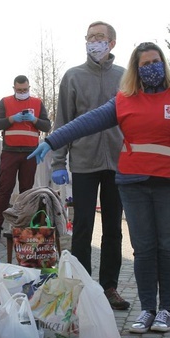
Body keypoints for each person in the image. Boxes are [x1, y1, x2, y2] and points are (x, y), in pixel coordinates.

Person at [29, 41, 170, 334]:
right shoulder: (125, 99)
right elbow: (87, 121)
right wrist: (52, 141)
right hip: (133, 185)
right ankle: (148, 309)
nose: (151, 68)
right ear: (137, 70)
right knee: (144, 249)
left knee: (168, 247)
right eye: (145, 64)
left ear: (164, 63)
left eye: (155, 61)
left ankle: (166, 310)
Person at [50, 21, 129, 310]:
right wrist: (58, 160)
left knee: (114, 229)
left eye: (100, 37)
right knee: (82, 226)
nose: (94, 41)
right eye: (90, 37)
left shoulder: (125, 77)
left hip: (118, 164)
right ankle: (82, 288)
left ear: (112, 43)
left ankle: (109, 288)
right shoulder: (73, 77)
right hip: (83, 162)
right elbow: (64, 122)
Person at [0, 75, 51, 240]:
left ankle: (24, 226)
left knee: (27, 191)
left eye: (25, 90)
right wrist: (12, 119)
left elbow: (46, 125)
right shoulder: (6, 102)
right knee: (5, 189)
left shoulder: (37, 103)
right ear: (14, 88)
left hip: (30, 152)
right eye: (19, 90)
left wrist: (34, 119)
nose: (22, 92)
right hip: (10, 151)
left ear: (29, 88)